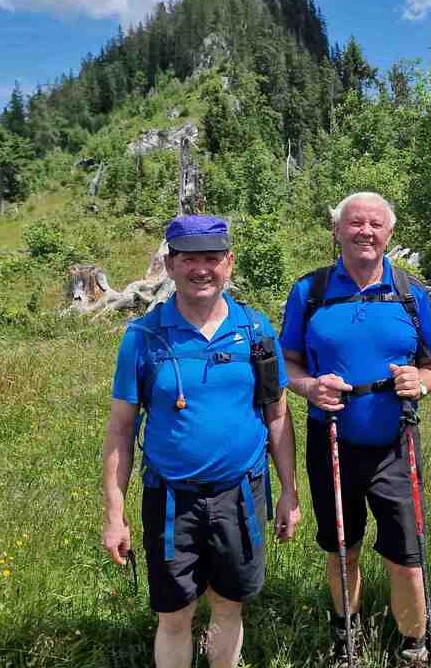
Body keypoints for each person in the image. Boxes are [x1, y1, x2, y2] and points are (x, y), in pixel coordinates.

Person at [101, 215, 301, 668]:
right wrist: (115, 514)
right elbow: (120, 430)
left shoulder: (255, 331)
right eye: (189, 259)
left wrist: (289, 491)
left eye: (212, 258)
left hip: (241, 495)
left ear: (229, 263)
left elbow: (277, 415)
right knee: (174, 613)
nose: (201, 269)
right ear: (169, 265)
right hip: (172, 499)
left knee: (230, 606)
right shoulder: (144, 337)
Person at [280, 192, 431, 667]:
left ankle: (414, 648)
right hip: (329, 436)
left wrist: (425, 382)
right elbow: (285, 363)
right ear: (337, 230)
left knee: (406, 555)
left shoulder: (409, 291)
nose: (365, 232)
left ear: (390, 233)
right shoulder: (309, 292)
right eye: (355, 223)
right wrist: (309, 386)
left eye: (376, 224)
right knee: (342, 548)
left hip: (396, 442)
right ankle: (346, 642)